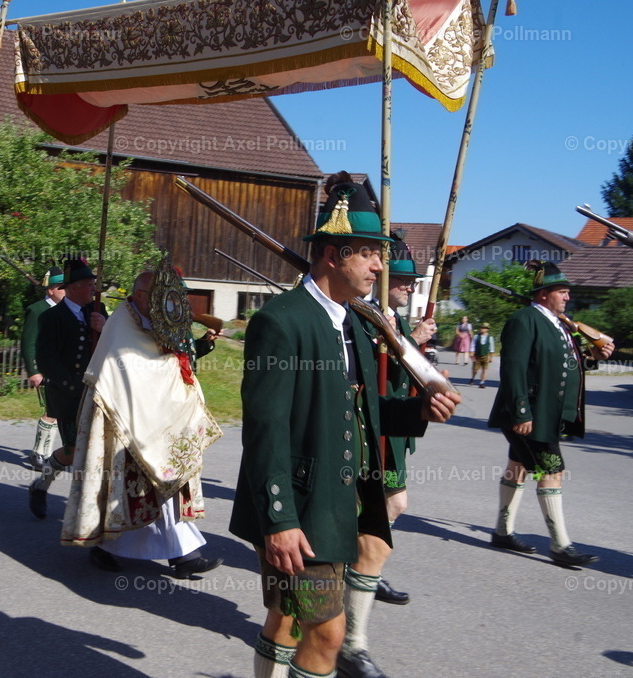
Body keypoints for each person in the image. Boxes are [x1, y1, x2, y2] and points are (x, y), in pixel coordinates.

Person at [228, 173, 460, 678]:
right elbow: (265, 430)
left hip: (344, 503)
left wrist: (418, 411)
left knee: (286, 619)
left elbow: (362, 408)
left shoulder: (354, 320)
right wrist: (280, 519)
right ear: (334, 254)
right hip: (302, 508)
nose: (380, 265)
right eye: (369, 253)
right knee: (327, 633)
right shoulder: (282, 321)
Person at [60, 266, 223, 578]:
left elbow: (175, 359)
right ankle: (111, 545)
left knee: (161, 483)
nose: (166, 301)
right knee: (121, 484)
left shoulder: (158, 318)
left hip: (160, 418)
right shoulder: (120, 324)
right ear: (138, 295)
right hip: (121, 417)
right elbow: (126, 369)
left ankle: (181, 553)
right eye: (157, 295)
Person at [338, 234, 439, 678]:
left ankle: (361, 583)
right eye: (402, 280)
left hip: (390, 429)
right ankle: (356, 598)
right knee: (377, 521)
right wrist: (408, 343)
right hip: (365, 435)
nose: (406, 287)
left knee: (386, 515)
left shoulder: (385, 317)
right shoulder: (364, 317)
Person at [487, 262, 613, 567]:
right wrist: (520, 413)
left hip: (546, 413)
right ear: (544, 294)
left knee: (517, 466)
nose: (568, 297)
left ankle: (502, 532)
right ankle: (560, 546)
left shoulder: (559, 324)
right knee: (552, 470)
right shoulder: (524, 319)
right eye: (563, 291)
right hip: (530, 414)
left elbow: (568, 361)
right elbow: (513, 369)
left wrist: (594, 356)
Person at [28, 259, 106, 519]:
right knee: (74, 451)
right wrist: (73, 387)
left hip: (99, 394)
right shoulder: (52, 317)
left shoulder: (98, 310)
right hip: (68, 394)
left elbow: (112, 347)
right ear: (71, 288)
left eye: (93, 285)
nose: (93, 290)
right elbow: (47, 358)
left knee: (97, 451)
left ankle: (88, 508)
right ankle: (42, 485)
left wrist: (103, 329)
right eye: (88, 285)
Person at [21, 266, 66, 469]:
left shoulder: (68, 310)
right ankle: (39, 453)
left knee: (62, 411)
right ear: (50, 290)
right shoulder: (37, 310)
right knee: (51, 410)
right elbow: (28, 343)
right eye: (61, 287)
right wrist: (34, 371)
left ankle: (57, 453)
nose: (66, 291)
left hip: (65, 369)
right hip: (46, 369)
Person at [469, 323, 494, 387]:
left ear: (487, 329)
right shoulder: (477, 336)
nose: (482, 329)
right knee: (475, 370)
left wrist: (491, 357)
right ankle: (472, 378)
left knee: (485, 369)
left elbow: (491, 348)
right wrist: (471, 353)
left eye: (484, 328)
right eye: (481, 327)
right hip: (477, 355)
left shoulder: (490, 337)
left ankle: (482, 382)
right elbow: (473, 345)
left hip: (485, 356)